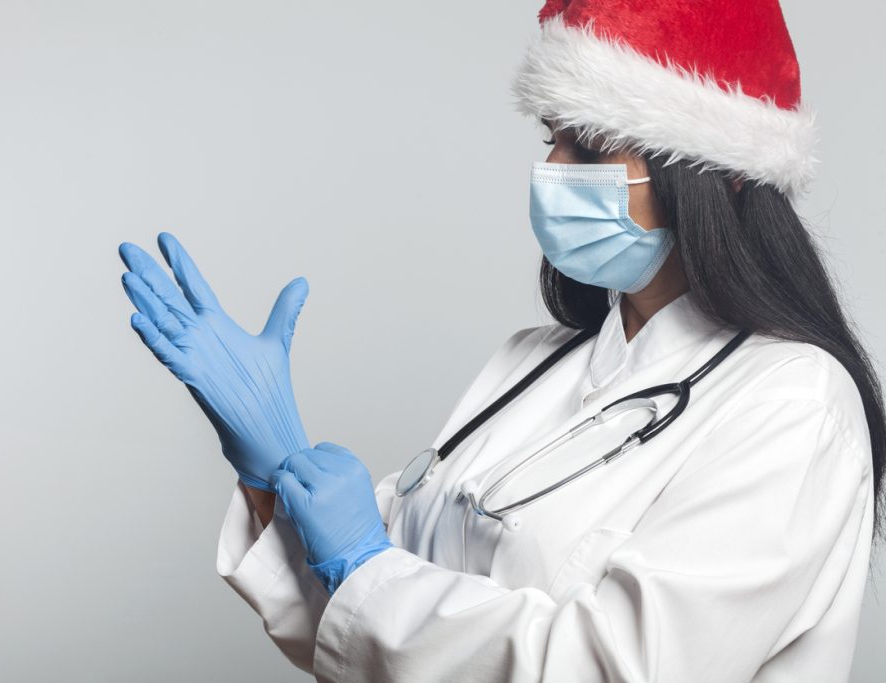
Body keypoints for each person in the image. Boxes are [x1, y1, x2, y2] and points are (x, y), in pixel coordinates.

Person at [117, 1, 884, 681]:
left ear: (720, 174)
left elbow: (613, 667)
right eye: (553, 138)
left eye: (589, 146)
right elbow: (356, 631)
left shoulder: (794, 405)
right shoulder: (531, 361)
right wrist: (273, 473)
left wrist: (364, 562)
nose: (553, 170)